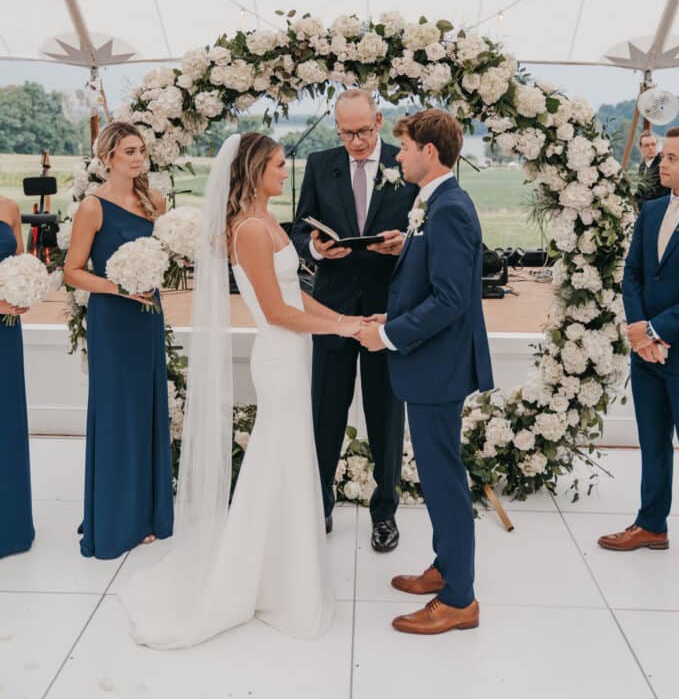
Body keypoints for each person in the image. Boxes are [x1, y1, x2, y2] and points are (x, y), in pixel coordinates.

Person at [120, 133, 363, 647]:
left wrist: (349, 320)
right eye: (277, 165)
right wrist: (345, 329)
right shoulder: (251, 230)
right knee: (276, 459)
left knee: (288, 460)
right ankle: (260, 578)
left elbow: (299, 297)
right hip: (277, 354)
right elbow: (276, 312)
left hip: (294, 349)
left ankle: (280, 569)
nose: (284, 172)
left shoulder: (269, 221)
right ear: (254, 170)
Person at [357, 109, 494, 634]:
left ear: (429, 153)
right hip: (430, 363)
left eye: (406, 147)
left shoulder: (450, 208)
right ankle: (445, 567)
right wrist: (388, 316)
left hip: (438, 368)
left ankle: (461, 598)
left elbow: (452, 300)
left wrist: (387, 336)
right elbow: (428, 281)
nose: (399, 156)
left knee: (443, 481)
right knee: (438, 477)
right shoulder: (432, 204)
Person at [292, 89, 418, 552]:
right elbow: (300, 225)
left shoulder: (405, 162)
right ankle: (319, 505)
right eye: (347, 133)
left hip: (389, 310)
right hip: (332, 310)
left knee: (386, 418)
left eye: (364, 131)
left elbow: (422, 227)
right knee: (325, 414)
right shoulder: (319, 163)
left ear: (380, 121)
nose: (357, 142)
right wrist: (315, 247)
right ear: (336, 129)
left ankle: (385, 513)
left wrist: (404, 243)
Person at [64, 122, 174, 559]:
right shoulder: (93, 207)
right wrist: (118, 287)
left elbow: (163, 257)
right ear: (107, 158)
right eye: (128, 151)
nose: (137, 158)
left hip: (147, 317)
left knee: (146, 410)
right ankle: (114, 516)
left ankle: (146, 514)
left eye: (141, 150)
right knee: (116, 415)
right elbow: (72, 271)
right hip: (112, 317)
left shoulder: (155, 202)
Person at [598, 126, 679, 553]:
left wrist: (655, 330)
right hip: (646, 353)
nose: (662, 164)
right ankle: (651, 524)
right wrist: (638, 330)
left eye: (672, 158)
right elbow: (631, 274)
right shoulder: (650, 212)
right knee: (652, 442)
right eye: (664, 156)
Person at [0, 196, 35, 558]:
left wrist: (23, 293)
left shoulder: (8, 208)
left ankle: (10, 526)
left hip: (5, 329)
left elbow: (20, 265)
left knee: (6, 420)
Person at [635, 131, 668, 208]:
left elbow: (655, 192)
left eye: (653, 144)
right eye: (647, 145)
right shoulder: (642, 166)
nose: (651, 147)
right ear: (641, 148)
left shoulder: (663, 162)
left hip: (660, 206)